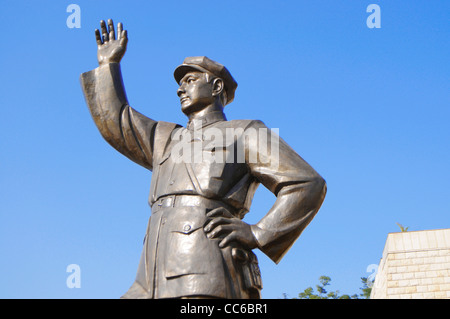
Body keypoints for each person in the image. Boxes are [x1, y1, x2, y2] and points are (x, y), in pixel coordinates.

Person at [80, 19, 327, 299]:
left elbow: (306, 183)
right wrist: (108, 65)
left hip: (206, 270)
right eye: (180, 83)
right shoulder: (165, 137)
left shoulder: (244, 132)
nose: (179, 89)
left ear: (217, 86)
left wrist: (260, 233)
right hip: (150, 274)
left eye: (190, 80)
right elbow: (117, 121)